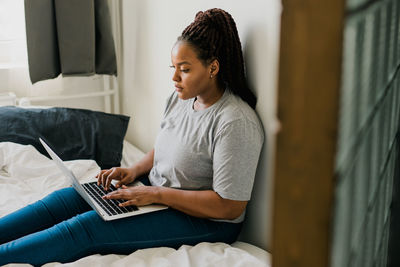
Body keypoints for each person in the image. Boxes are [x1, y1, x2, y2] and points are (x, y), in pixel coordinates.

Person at [0, 8, 264, 266]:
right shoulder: (182, 98)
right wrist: (133, 171)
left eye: (184, 69)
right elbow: (165, 149)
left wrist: (157, 194)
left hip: (206, 220)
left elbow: (229, 206)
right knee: (62, 202)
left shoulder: (235, 122)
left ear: (213, 67)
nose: (174, 77)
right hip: (156, 191)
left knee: (83, 229)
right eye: (173, 67)